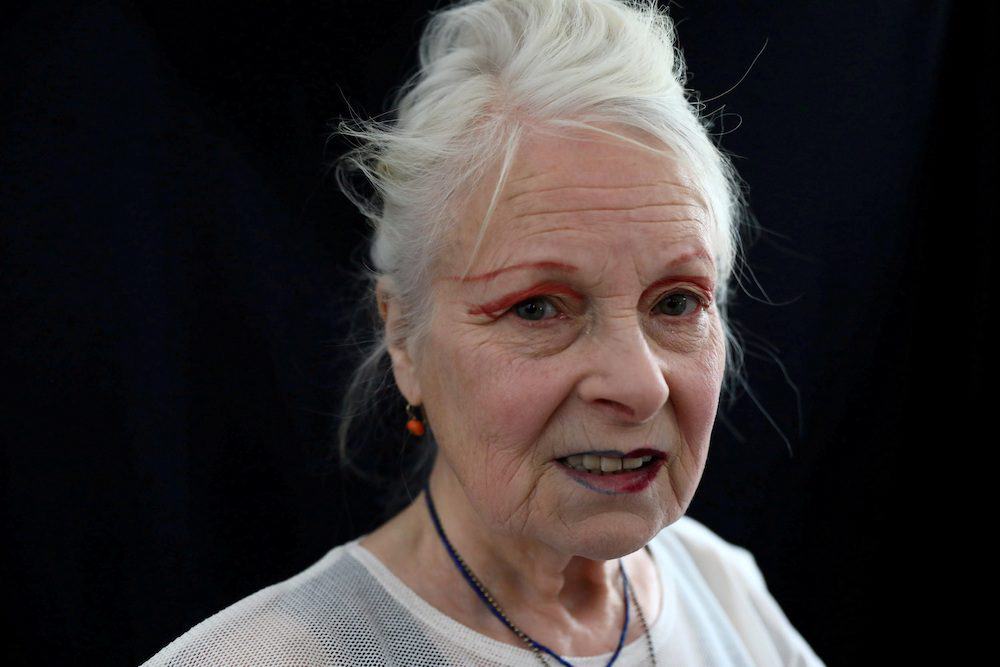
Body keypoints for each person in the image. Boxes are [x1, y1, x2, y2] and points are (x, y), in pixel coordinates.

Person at [141, 0, 825, 664]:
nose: (640, 385)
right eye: (537, 307)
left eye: (677, 302)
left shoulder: (721, 591)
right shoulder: (276, 655)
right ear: (404, 338)